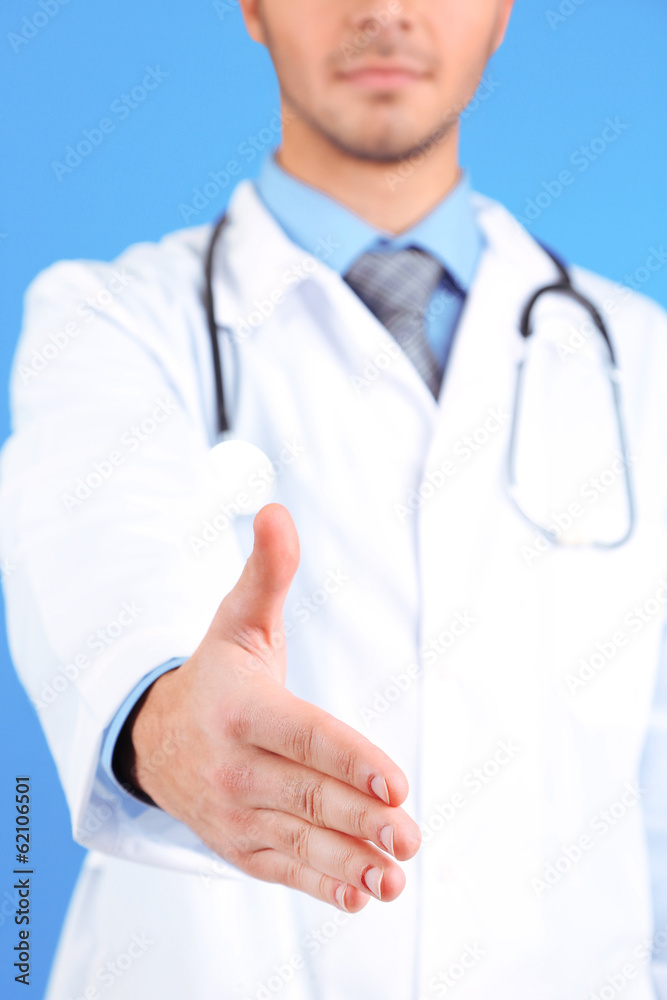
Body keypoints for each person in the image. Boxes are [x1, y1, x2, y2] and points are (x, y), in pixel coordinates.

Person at [2, 1, 667, 997]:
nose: (384, 9)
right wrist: (162, 722)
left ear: (501, 11)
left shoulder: (640, 362)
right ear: (253, 7)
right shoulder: (111, 320)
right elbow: (98, 570)